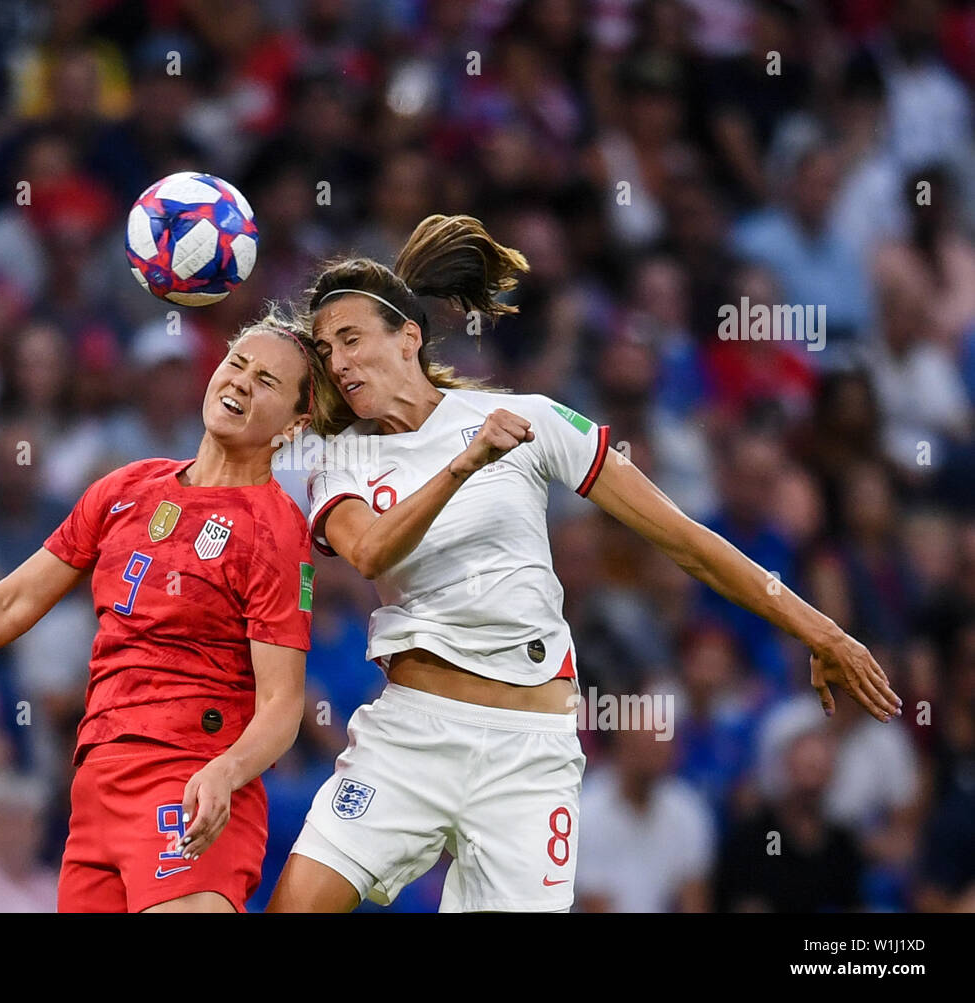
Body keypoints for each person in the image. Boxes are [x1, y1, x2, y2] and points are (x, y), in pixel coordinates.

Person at [267, 214, 903, 914]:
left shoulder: (532, 419)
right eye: (326, 351)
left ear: (409, 336)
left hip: (531, 753)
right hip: (413, 730)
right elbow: (370, 549)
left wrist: (819, 629)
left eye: (352, 338)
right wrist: (466, 461)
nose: (340, 362)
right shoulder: (343, 458)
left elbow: (685, 538)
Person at [0, 310, 340, 913]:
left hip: (189, 782)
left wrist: (225, 772)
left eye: (267, 381)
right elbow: (12, 600)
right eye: (237, 363)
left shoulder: (275, 531)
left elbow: (282, 705)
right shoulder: (126, 489)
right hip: (93, 795)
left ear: (297, 425)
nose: (242, 382)